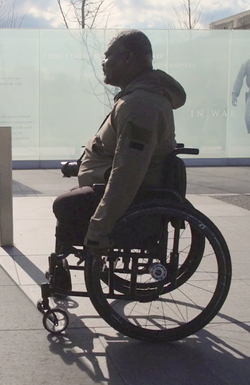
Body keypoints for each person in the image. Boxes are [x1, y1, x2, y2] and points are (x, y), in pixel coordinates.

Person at [50, 30, 185, 289]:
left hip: (136, 197)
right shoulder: (137, 97)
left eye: (107, 55)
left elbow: (128, 172)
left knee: (64, 205)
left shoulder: (140, 105)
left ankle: (64, 262)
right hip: (128, 186)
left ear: (128, 58)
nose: (103, 62)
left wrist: (100, 228)